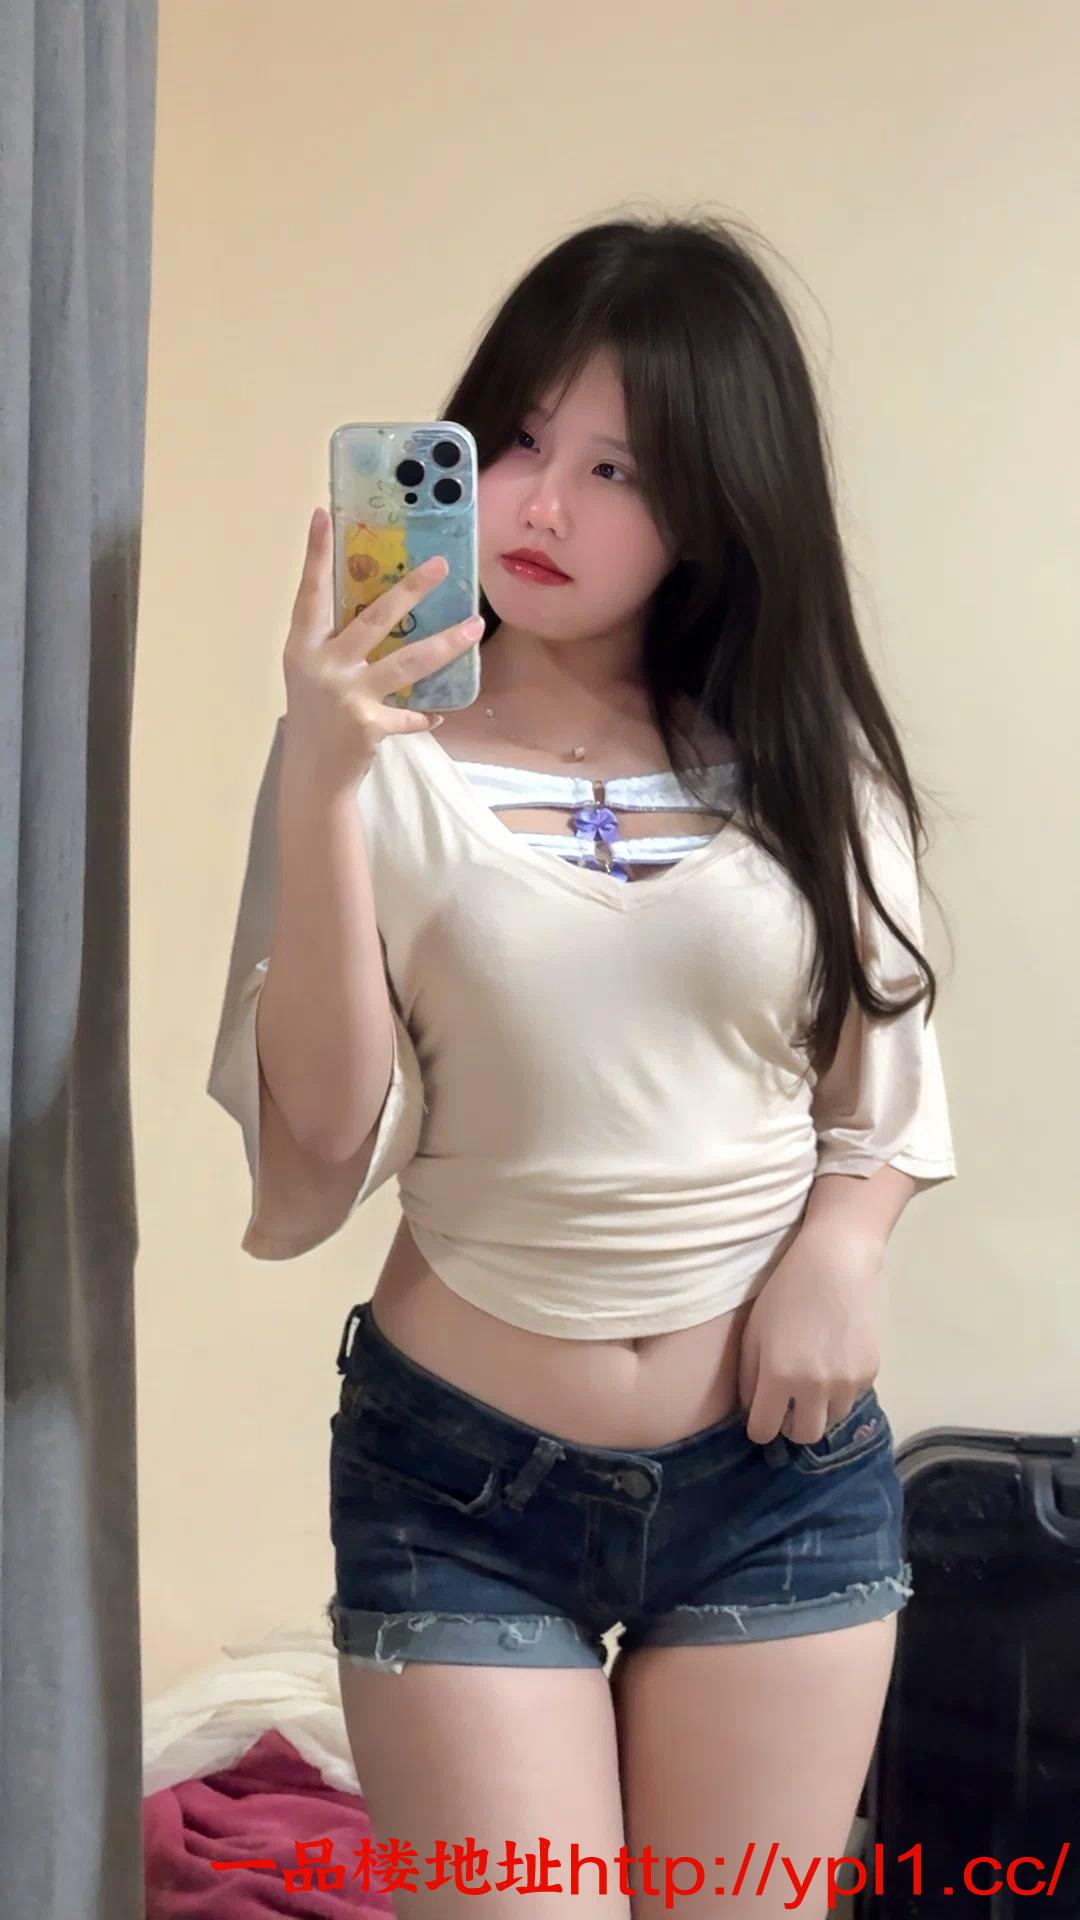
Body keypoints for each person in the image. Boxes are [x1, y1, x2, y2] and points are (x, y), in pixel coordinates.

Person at [207, 213, 958, 1919]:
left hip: (777, 1481)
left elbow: (885, 1073)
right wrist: (322, 773)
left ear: (716, 505)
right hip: (461, 1482)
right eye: (522, 442)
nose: (542, 507)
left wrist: (846, 1246)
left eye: (618, 469)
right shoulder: (371, 757)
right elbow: (321, 1134)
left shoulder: (805, 760)